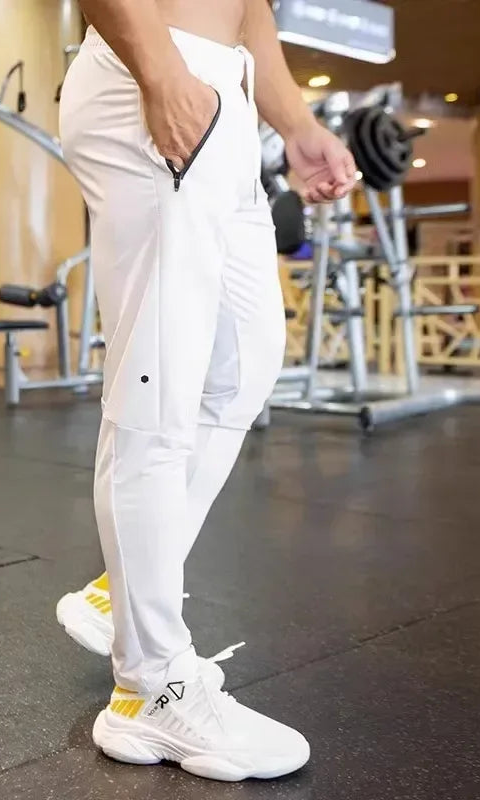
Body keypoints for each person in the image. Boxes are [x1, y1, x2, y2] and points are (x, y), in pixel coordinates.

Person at [56, 0, 356, 782]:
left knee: (244, 366)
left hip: (226, 88)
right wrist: (159, 70)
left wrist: (292, 123)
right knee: (159, 398)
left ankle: (114, 595)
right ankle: (150, 690)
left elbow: (249, 8)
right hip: (151, 70)